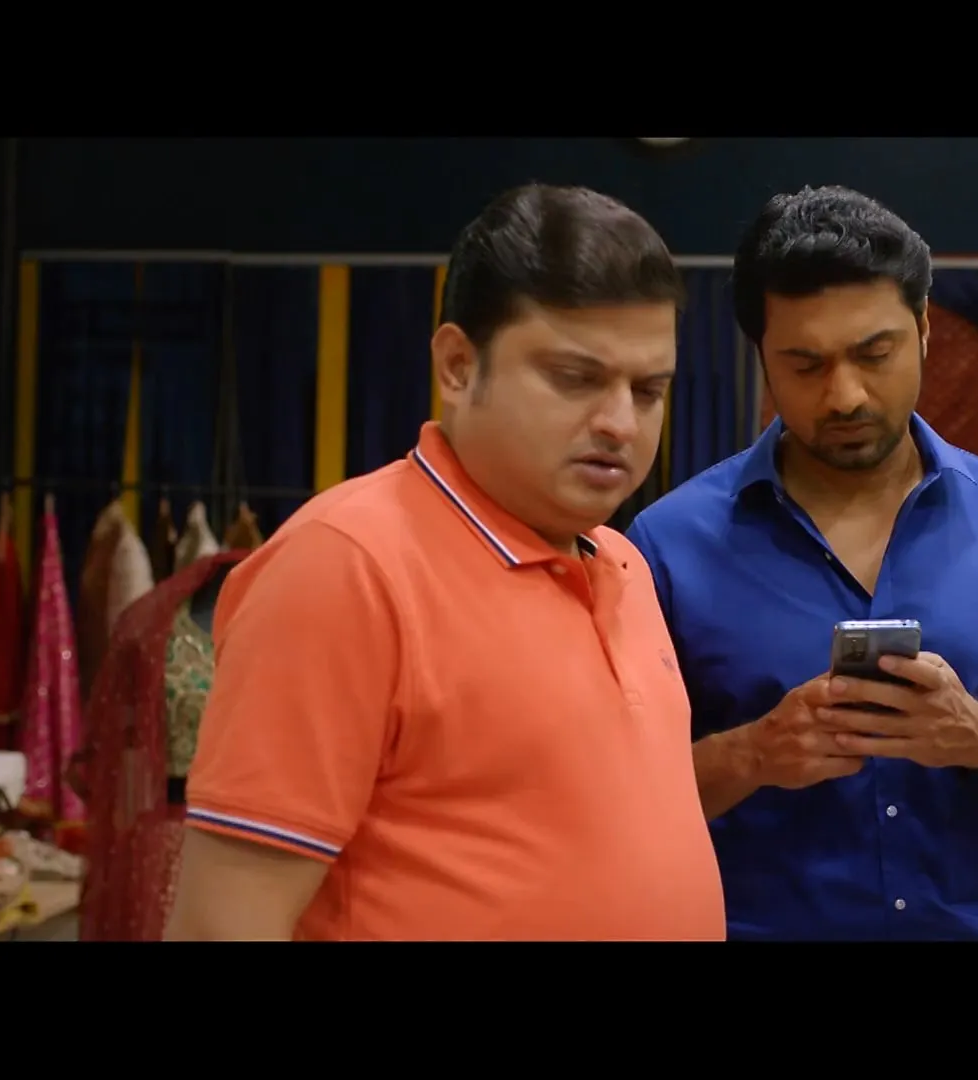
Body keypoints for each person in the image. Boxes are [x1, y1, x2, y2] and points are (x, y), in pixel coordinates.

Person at [164, 184, 726, 941]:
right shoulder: (345, 566)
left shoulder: (623, 561)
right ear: (459, 366)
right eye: (576, 378)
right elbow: (223, 923)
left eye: (649, 390)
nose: (621, 423)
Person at [625, 185, 978, 941]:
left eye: (874, 354)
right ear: (761, 357)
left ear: (923, 329)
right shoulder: (667, 544)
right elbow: (617, 802)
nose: (846, 396)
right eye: (806, 365)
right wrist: (752, 753)